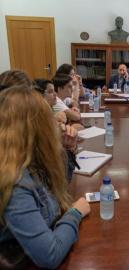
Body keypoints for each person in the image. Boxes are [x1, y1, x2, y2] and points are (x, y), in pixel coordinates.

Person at [0, 86, 90, 269]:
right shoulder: (15, 183)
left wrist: (68, 149)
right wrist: (75, 214)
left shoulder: (26, 158)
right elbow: (50, 254)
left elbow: (55, 192)